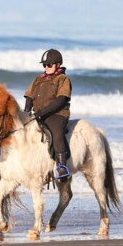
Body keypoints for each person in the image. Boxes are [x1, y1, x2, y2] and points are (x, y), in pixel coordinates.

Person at [24, 48, 72, 179]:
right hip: (39, 114)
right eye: (44, 65)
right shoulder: (38, 79)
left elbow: (61, 99)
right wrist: (27, 111)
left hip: (57, 114)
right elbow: (29, 95)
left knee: (56, 133)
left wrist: (42, 113)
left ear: (57, 64)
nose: (46, 67)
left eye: (49, 65)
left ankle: (62, 167)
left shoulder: (63, 79)